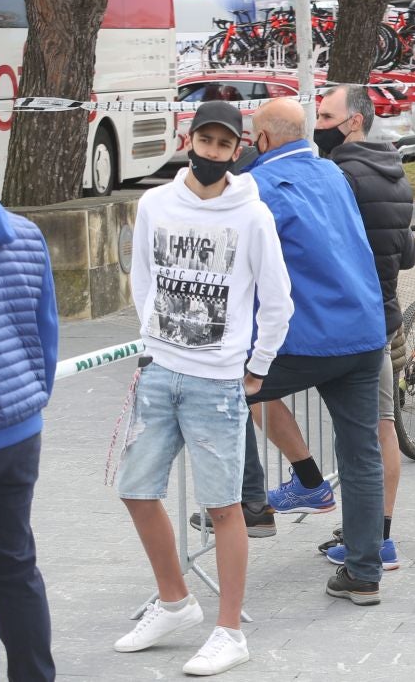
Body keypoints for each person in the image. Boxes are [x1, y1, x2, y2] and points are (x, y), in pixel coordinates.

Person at [115, 101, 293, 674]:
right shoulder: (155, 203)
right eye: (204, 141)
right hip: (159, 370)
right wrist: (151, 343)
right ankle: (175, 602)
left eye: (223, 145)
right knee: (137, 489)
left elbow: (278, 299)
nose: (212, 152)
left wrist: (258, 365)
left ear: (237, 150)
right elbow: (144, 277)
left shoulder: (252, 215)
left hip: (217, 380)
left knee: (224, 508)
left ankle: (230, 630)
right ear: (187, 139)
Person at [238, 97, 388, 607]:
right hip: (363, 332)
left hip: (305, 337)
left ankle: (253, 504)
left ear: (260, 140)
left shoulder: (255, 188)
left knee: (226, 394)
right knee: (361, 453)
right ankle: (365, 571)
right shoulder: (332, 174)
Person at [287, 84, 415, 572]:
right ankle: (377, 536)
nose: (316, 124)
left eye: (324, 115)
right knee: (382, 429)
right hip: (385, 316)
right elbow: (407, 254)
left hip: (349, 322)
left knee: (256, 386)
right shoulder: (395, 173)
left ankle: (304, 482)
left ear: (354, 122)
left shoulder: (339, 176)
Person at [0, 194, 58, 682]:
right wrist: (34, 400)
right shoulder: (25, 235)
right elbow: (45, 330)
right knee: (15, 565)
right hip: (18, 426)